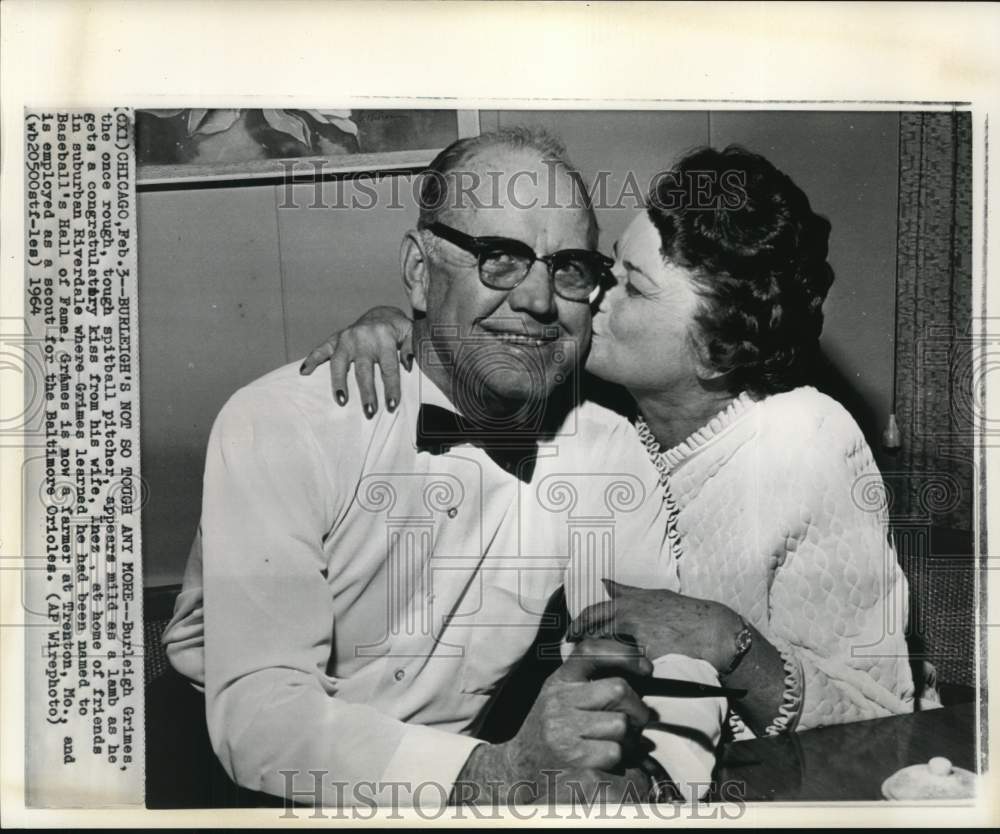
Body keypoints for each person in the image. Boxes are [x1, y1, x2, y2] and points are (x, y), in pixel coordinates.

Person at [162, 128, 747, 807]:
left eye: (568, 270)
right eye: (500, 259)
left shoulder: (605, 450)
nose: (536, 301)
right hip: (241, 787)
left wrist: (657, 786)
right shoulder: (280, 423)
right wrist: (497, 777)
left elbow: (662, 649)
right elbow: (260, 716)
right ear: (418, 272)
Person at [302, 142, 931, 742]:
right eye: (607, 266)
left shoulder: (806, 440)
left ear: (719, 347)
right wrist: (391, 323)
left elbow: (879, 715)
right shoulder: (589, 405)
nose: (583, 295)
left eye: (632, 286)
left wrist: (724, 637)